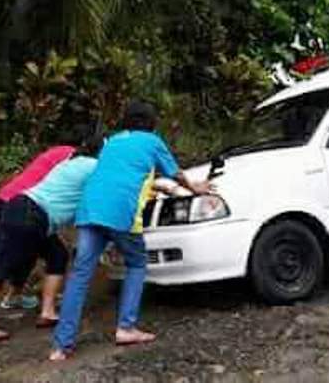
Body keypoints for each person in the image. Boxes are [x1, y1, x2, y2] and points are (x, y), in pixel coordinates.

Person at [49, 101, 213, 360]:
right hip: (119, 212)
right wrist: (196, 188)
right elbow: (175, 173)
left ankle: (61, 346)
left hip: (90, 209)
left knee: (80, 275)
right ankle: (126, 327)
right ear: (151, 123)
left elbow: (119, 174)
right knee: (137, 263)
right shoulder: (152, 141)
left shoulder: (113, 142)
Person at [0, 130, 101, 341]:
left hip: (31, 213)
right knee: (3, 262)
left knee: (57, 255)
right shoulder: (91, 165)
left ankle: (47, 311)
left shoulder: (73, 162)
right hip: (29, 212)